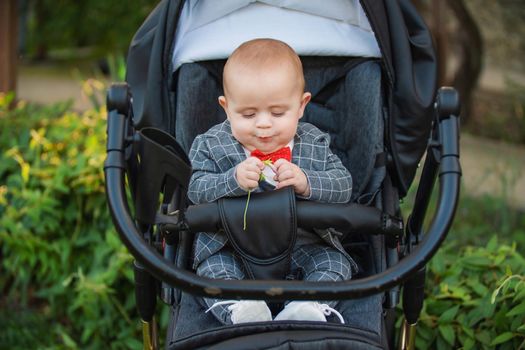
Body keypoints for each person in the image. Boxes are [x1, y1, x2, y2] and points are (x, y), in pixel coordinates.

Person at [187, 38, 356, 325]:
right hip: (231, 246)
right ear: (227, 108)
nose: (263, 124)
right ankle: (240, 310)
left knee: (336, 264)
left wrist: (306, 181)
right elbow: (194, 189)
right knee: (211, 268)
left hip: (305, 244)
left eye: (278, 113)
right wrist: (232, 180)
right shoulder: (210, 145)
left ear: (301, 106)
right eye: (248, 114)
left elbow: (343, 185)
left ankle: (308, 308)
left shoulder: (313, 142)